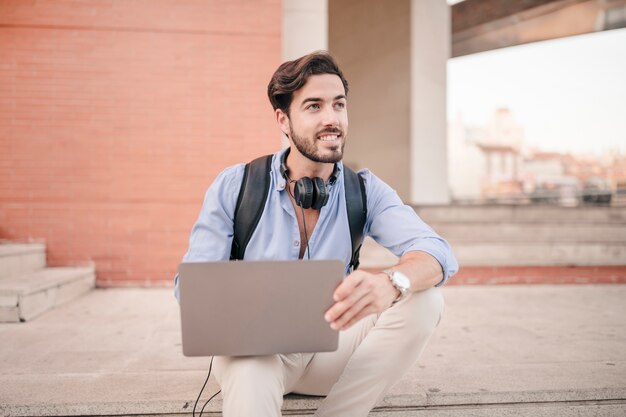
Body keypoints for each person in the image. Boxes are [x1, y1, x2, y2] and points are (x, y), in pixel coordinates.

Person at [175, 51, 458, 417]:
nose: (332, 119)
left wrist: (392, 281)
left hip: (329, 352)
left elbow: (437, 251)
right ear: (284, 120)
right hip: (254, 353)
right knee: (251, 365)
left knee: (426, 300)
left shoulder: (365, 190)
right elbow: (192, 289)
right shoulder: (236, 185)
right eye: (314, 106)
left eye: (338, 105)